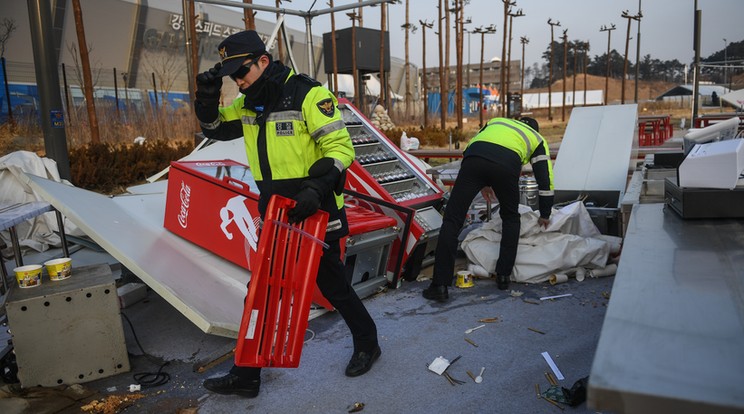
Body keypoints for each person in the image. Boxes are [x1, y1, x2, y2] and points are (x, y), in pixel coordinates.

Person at [193, 30, 380, 398]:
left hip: (317, 210)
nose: (239, 82)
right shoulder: (248, 103)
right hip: (277, 212)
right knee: (261, 291)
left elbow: (341, 150)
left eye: (242, 72)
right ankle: (246, 375)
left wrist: (315, 189)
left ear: (263, 61)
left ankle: (367, 342)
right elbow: (212, 128)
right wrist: (207, 96)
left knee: (333, 287)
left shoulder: (308, 94)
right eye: (232, 77)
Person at [422, 117, 554, 302]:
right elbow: (545, 180)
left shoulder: (497, 121)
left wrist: (483, 183)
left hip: (473, 160)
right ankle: (503, 277)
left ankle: (440, 286)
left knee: (452, 220)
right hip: (507, 165)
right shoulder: (537, 138)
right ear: (536, 129)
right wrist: (546, 213)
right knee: (510, 218)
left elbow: (472, 147)